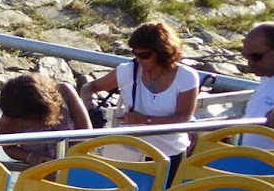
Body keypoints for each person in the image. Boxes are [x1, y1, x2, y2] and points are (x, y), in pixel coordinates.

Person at [79, 21, 201, 175]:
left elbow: (182, 119)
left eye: (144, 55)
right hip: (130, 150)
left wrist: (144, 120)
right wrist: (88, 105)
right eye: (135, 54)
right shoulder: (128, 71)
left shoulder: (187, 76)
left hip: (170, 152)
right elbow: (89, 87)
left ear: (163, 51)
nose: (138, 60)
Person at [0, 72, 92, 166]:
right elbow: (9, 147)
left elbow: (85, 133)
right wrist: (30, 157)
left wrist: (65, 160)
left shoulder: (65, 92)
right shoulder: (11, 117)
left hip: (75, 162)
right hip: (40, 170)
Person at [239, 21, 274, 149]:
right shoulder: (266, 78)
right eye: (246, 57)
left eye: (256, 57)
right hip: (251, 158)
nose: (249, 64)